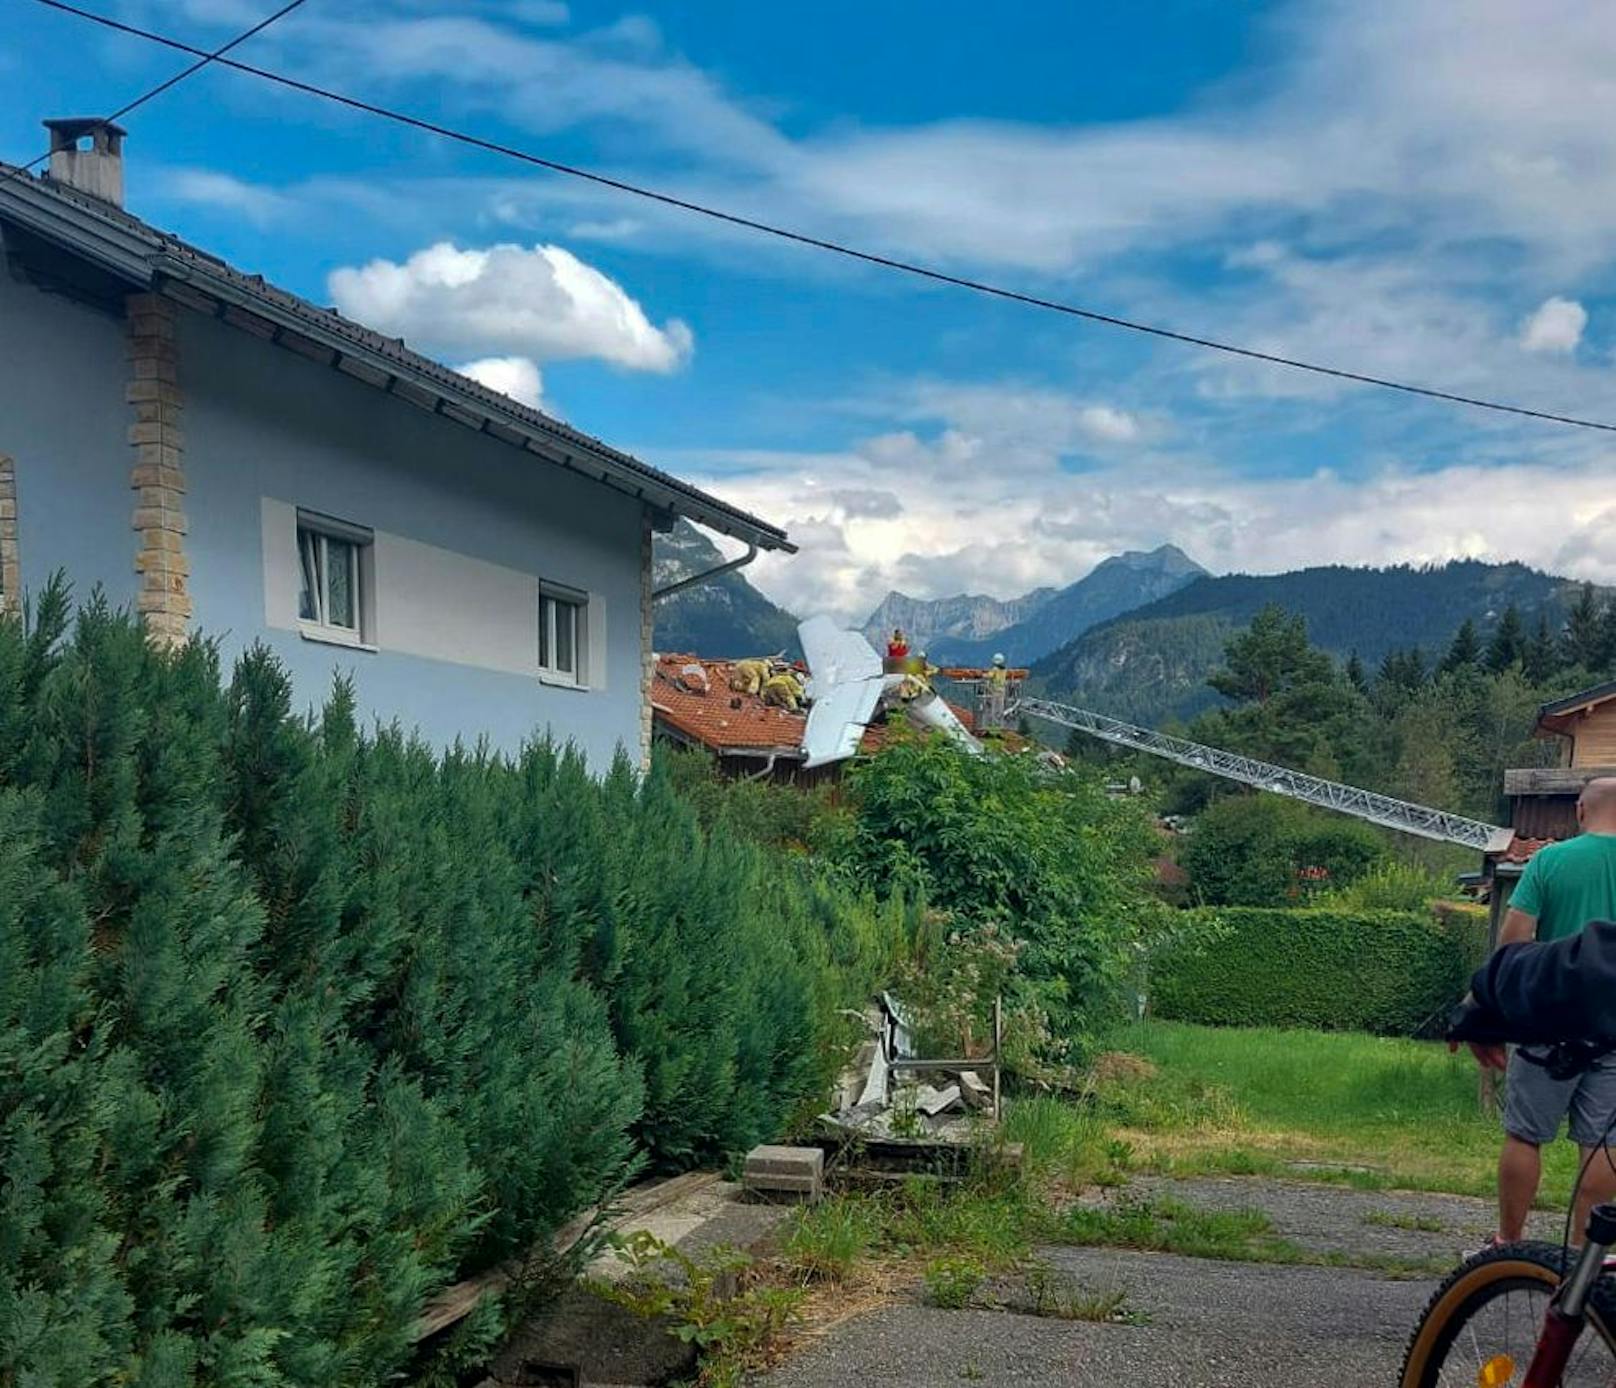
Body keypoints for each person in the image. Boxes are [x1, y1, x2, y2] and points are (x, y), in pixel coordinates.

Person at [1480, 776, 1616, 1245]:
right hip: (1614, 1028)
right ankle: (1582, 1264)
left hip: (1549, 1024)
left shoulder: (1550, 861)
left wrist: (1492, 1014)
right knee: (1603, 1144)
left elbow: (1513, 945)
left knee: (1525, 1136)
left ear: (1581, 811)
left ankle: (1508, 1245)